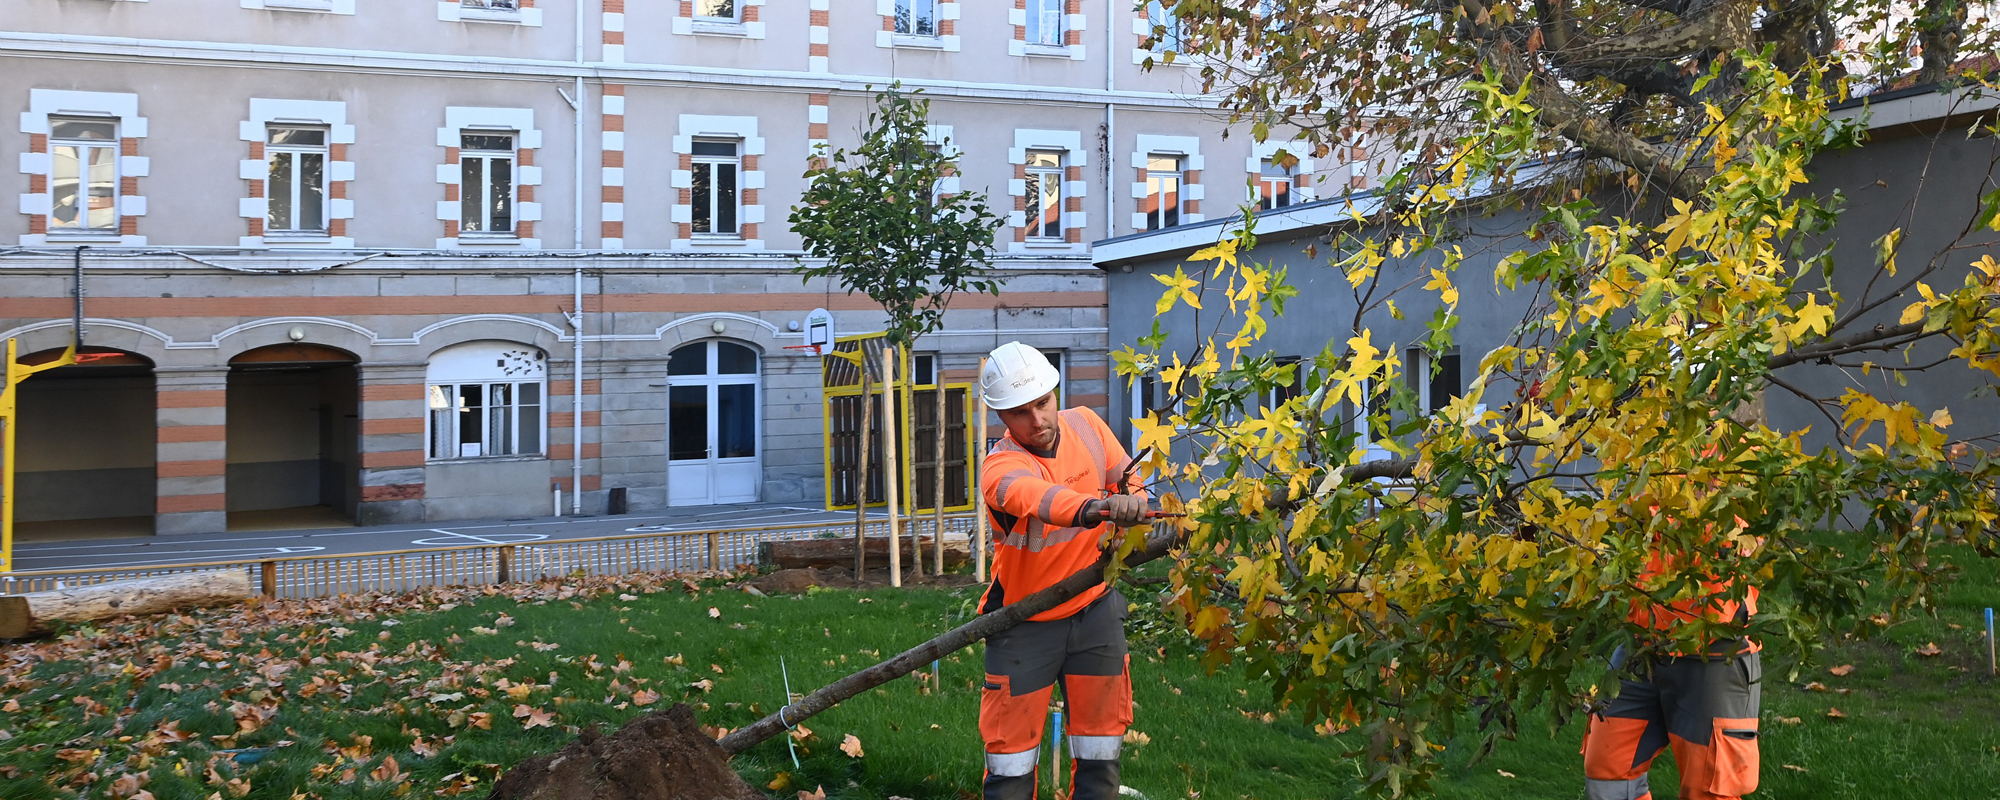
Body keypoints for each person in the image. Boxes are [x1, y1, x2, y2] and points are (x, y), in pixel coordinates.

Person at [975, 341, 1148, 800]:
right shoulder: (1000, 467)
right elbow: (1037, 498)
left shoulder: (1088, 425)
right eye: (1019, 412)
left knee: (1100, 752)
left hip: (1096, 612)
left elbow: (1131, 482)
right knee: (1010, 764)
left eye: (1043, 403)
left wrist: (1137, 504)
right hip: (1023, 622)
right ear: (1001, 417)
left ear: (1056, 391)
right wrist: (1095, 507)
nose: (1037, 421)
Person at [1581, 492, 1763, 800]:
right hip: (1643, 637)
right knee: (1606, 767)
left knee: (1708, 790)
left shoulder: (1737, 450)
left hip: (1713, 644)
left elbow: (1748, 538)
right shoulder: (1640, 447)